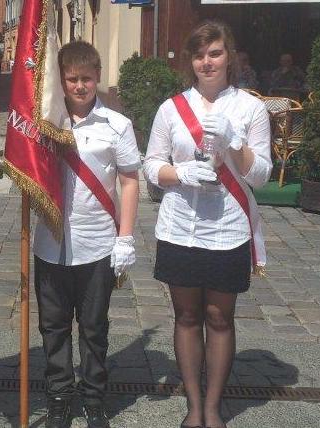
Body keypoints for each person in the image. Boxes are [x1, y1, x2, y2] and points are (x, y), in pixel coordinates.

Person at [144, 21, 272, 428]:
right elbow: (151, 165)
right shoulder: (172, 108)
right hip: (180, 225)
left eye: (215, 53)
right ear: (192, 61)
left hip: (228, 227)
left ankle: (213, 407)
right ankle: (194, 406)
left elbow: (262, 176)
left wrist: (236, 142)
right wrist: (180, 173)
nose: (207, 62)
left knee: (219, 317)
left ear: (228, 56)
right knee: (185, 317)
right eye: (199, 55)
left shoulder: (250, 109)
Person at [33, 41, 140, 428]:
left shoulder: (117, 125)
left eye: (87, 79)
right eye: (72, 79)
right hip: (50, 242)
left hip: (97, 243)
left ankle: (94, 397)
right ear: (61, 80)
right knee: (53, 326)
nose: (79, 86)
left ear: (98, 77)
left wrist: (125, 237)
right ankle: (59, 395)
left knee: (94, 327)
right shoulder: (44, 122)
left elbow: (129, 181)